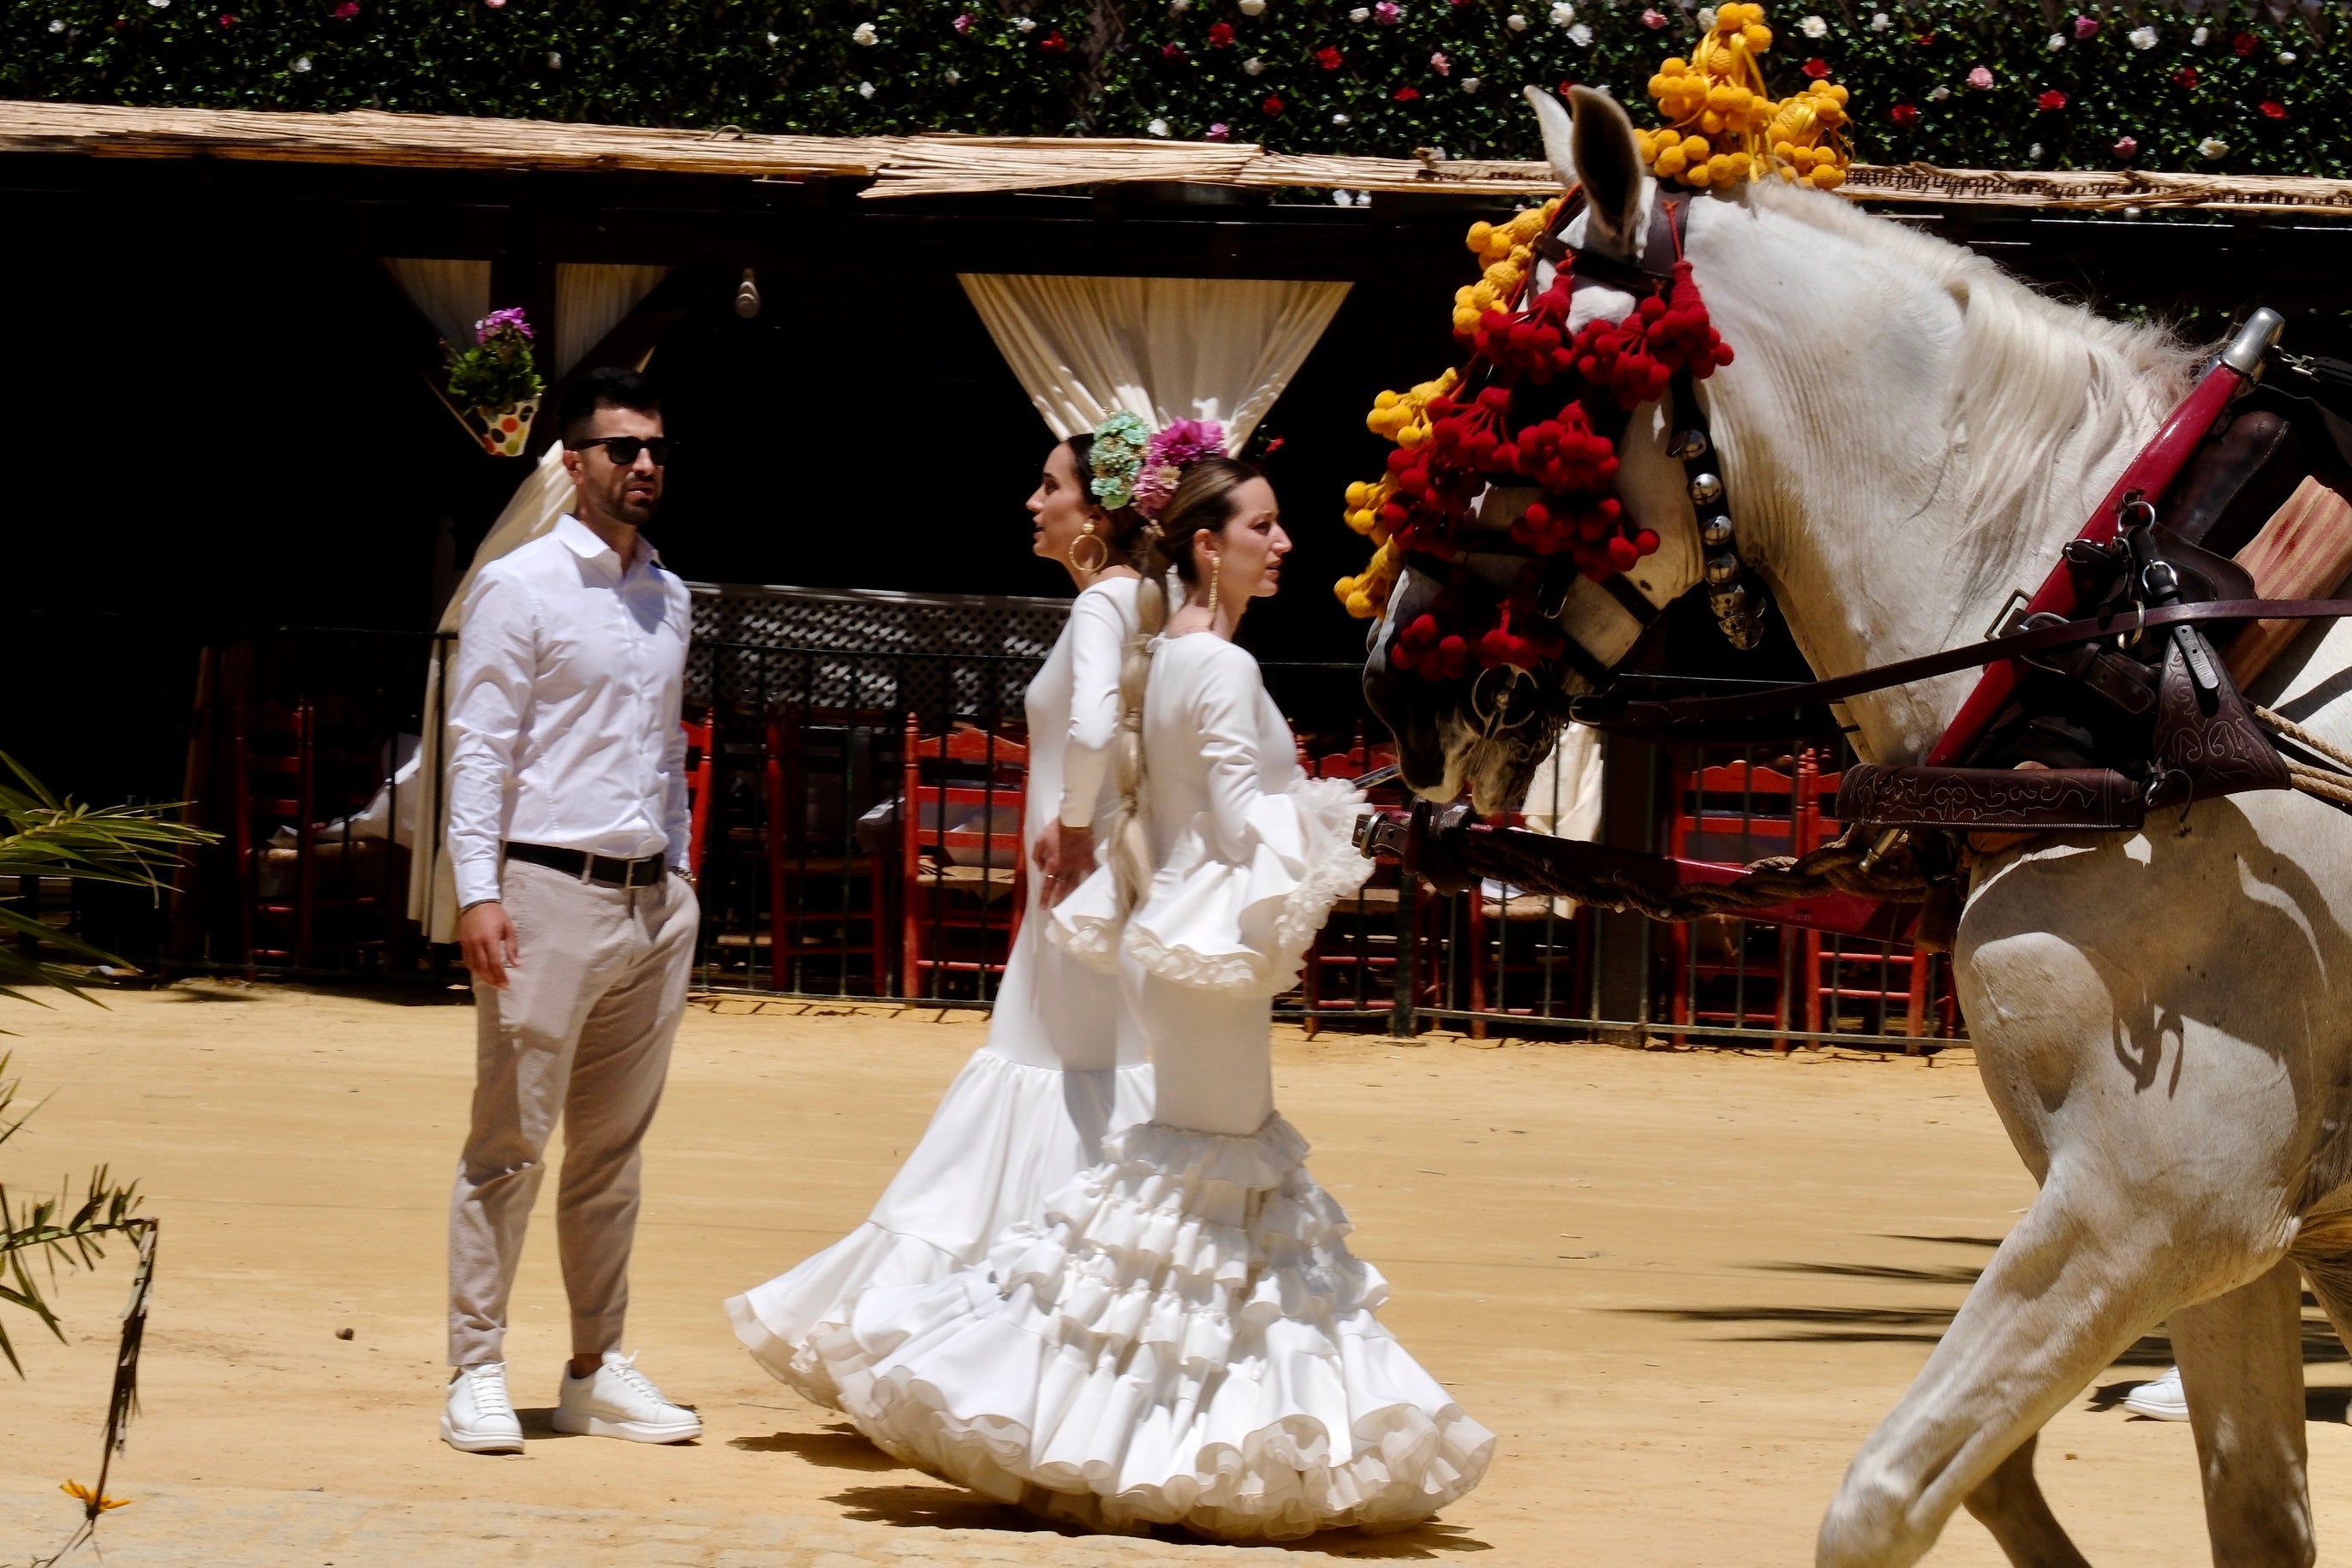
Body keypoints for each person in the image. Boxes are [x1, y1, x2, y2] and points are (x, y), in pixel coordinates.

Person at [809, 452, 1495, 1540]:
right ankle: (1155, 1421)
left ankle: (1136, 1414)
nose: (1282, 544)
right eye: (1262, 527)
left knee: (1190, 1187)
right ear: (1205, 544)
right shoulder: (1215, 668)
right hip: (1205, 952)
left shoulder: (1169, 657)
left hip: (1178, 944)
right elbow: (1237, 818)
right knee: (1216, 1187)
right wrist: (1364, 829)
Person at [725, 415, 1155, 1407]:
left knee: (1057, 1076)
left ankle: (982, 1325)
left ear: (1097, 512)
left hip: (1075, 880)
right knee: (1075, 1084)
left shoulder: (1105, 606)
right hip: (1096, 887)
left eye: (1051, 486)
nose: (1033, 502)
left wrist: (1075, 822)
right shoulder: (1141, 603)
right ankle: (1037, 1312)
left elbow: (1092, 726)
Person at [439, 367, 703, 1454]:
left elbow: (667, 750)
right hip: (543, 894)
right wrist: (479, 890)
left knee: (612, 1152)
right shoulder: (522, 584)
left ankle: (594, 1367)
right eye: (620, 448)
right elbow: (480, 744)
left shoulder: (669, 593)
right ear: (572, 463)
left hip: (650, 904)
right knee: (508, 1144)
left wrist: (680, 875)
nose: (643, 465)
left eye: (654, 447)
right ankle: (475, 1366)